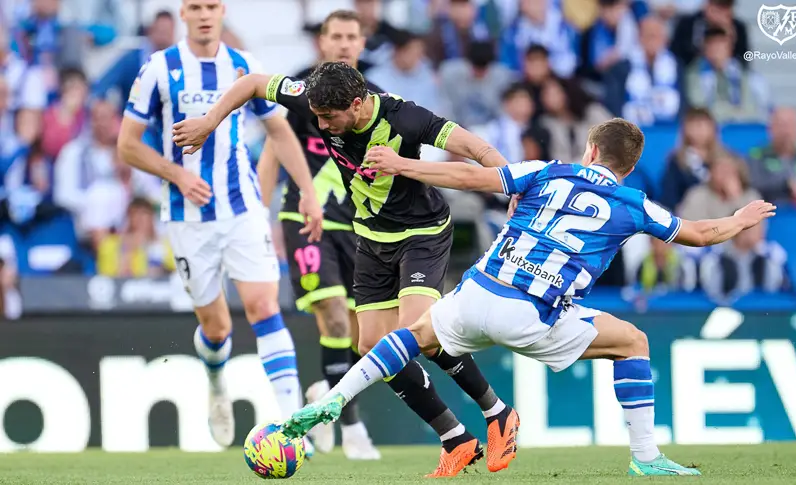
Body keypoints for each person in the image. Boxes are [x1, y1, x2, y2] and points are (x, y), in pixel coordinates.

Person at [279, 118, 777, 476]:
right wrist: (741, 218)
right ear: (628, 165)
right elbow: (699, 232)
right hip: (531, 314)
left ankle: (336, 398)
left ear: (591, 151)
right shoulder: (633, 204)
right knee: (632, 342)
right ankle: (646, 458)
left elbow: (473, 177)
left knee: (409, 336)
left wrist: (406, 165)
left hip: (477, 292)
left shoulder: (548, 171)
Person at [172, 61, 519, 477]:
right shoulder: (316, 102)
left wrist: (511, 185)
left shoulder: (407, 118)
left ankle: (498, 413)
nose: (320, 124)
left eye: (328, 118)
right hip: (371, 238)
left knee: (417, 337)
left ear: (356, 104)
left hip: (422, 234)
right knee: (373, 344)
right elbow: (251, 83)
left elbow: (478, 149)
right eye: (316, 115)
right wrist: (210, 122)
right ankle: (454, 437)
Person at [116, 0, 323, 452]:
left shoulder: (244, 66)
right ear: (183, 14)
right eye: (196, 6)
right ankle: (216, 381)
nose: (205, 13)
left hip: (243, 206)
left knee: (264, 306)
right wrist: (178, 175)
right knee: (216, 329)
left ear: (223, 11)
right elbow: (127, 146)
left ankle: (293, 426)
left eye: (212, 5)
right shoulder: (159, 68)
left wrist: (307, 190)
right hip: (188, 217)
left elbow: (280, 131)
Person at [255, 9, 382, 460]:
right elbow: (273, 151)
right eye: (337, 36)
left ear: (362, 44)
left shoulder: (377, 101)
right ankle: (351, 427)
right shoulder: (298, 92)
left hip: (359, 226)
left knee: (356, 330)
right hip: (303, 218)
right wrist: (259, 215)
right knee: (330, 311)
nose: (345, 44)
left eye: (353, 37)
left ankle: (326, 396)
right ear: (322, 43)